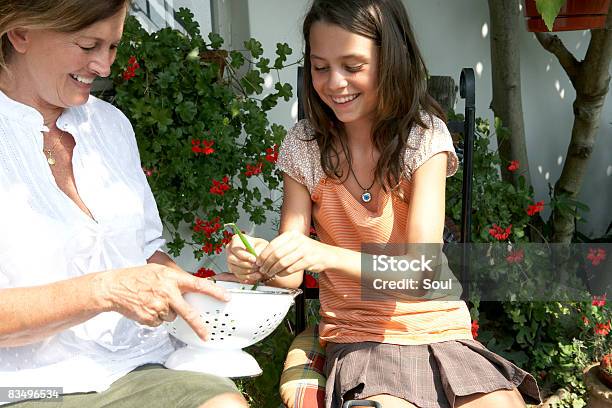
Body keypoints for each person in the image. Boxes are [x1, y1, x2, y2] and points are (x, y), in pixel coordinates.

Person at [226, 0, 542, 407]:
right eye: (321, 67)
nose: (335, 83)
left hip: (438, 328)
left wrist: (322, 253)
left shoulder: (423, 139)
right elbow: (289, 274)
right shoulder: (304, 147)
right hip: (360, 336)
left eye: (353, 67)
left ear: (391, 60)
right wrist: (259, 261)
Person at [0, 1, 248, 407]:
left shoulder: (111, 125)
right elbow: (112, 285)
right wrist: (102, 291)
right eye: (87, 45)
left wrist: (205, 293)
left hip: (142, 366)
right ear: (21, 32)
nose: (104, 67)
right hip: (27, 386)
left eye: (112, 47)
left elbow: (143, 256)